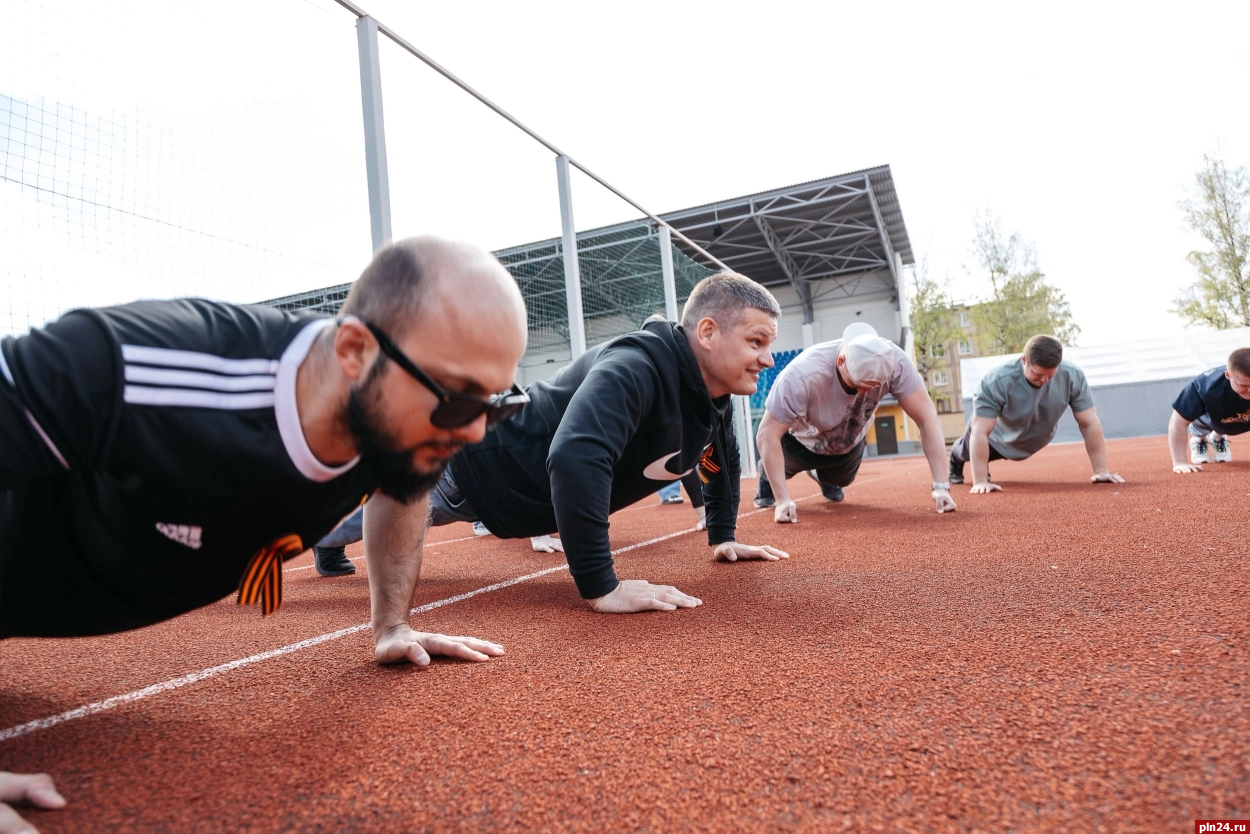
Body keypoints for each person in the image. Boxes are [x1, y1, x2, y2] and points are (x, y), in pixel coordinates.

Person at [0, 236, 528, 831]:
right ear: (354, 350)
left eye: (498, 404)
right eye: (458, 399)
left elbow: (403, 486)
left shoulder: (392, 420)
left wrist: (392, 624)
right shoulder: (137, 363)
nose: (479, 432)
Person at [430, 272, 790, 612]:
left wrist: (723, 535)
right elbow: (575, 455)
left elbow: (718, 460)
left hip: (509, 499)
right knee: (382, 522)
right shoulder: (637, 365)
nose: (768, 359)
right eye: (755, 342)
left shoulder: (712, 401)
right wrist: (601, 585)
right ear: (708, 333)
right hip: (462, 468)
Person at [754, 323, 957, 523]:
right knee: (776, 466)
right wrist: (782, 500)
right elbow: (767, 434)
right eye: (857, 385)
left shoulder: (898, 364)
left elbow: (928, 418)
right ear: (841, 361)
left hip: (847, 441)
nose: (862, 395)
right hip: (800, 442)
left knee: (842, 481)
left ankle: (822, 476)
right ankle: (767, 477)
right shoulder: (800, 376)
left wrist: (941, 486)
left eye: (873, 388)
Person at [949, 334, 1123, 492]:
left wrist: (1101, 471)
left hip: (1034, 436)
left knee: (984, 450)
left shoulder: (1073, 376)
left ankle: (981, 462)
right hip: (996, 436)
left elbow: (1089, 423)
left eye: (1050, 375)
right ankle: (956, 458)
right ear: (1024, 360)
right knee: (970, 444)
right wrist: (980, 481)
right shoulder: (995, 381)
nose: (1044, 381)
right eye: (1038, 374)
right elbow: (980, 431)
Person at [1168, 347, 1250, 473]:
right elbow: (1177, 422)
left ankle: (1218, 437)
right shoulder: (1203, 386)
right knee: (1201, 419)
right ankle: (1199, 439)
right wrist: (1179, 462)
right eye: (1244, 385)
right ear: (1227, 375)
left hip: (1244, 420)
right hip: (1211, 420)